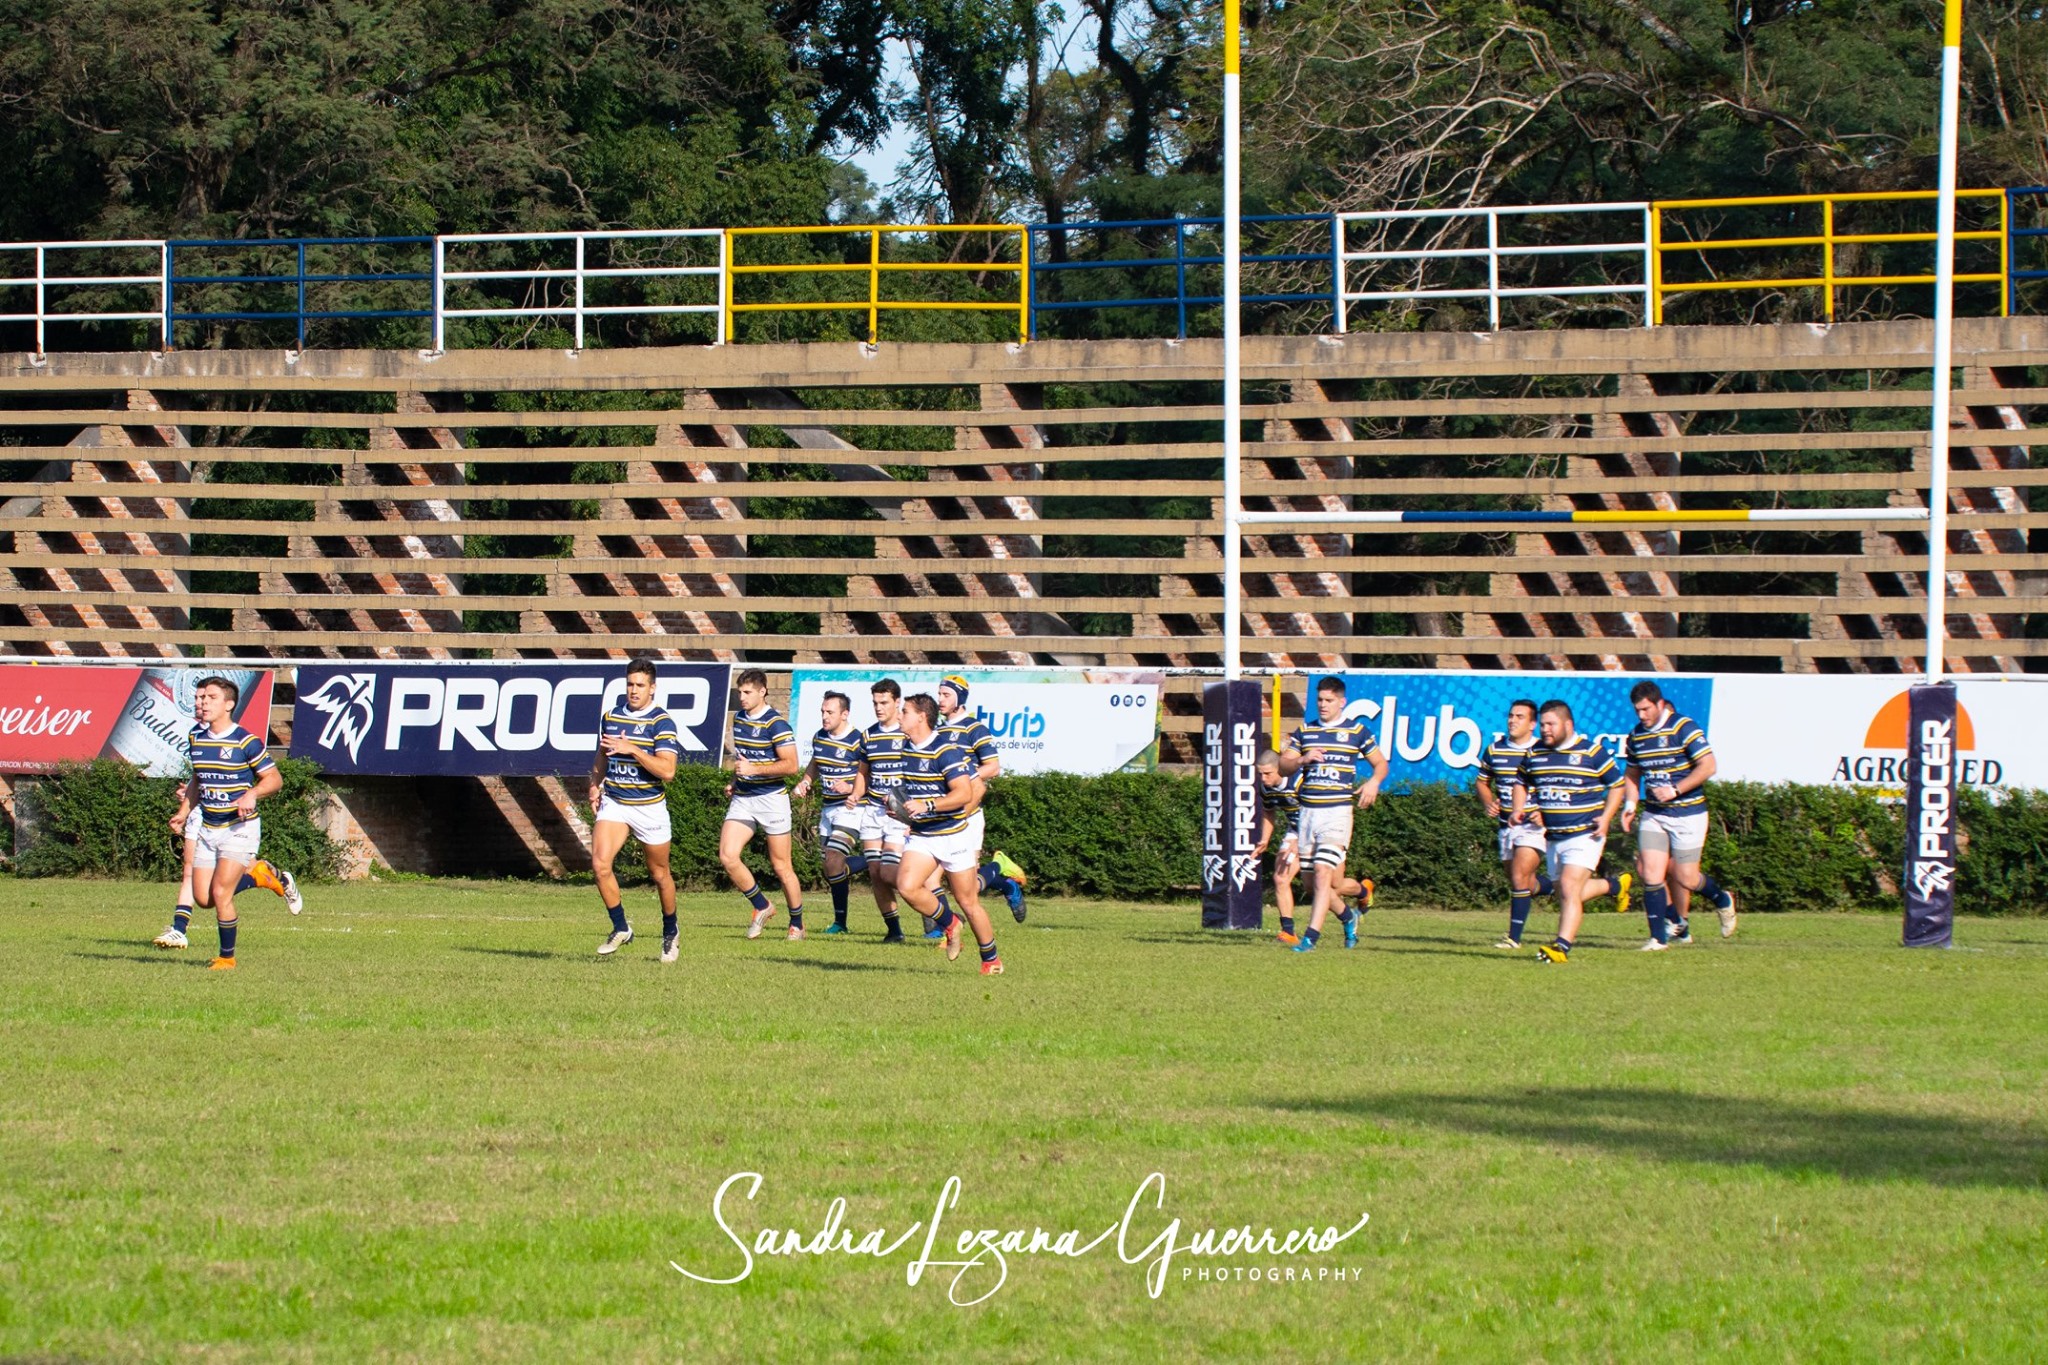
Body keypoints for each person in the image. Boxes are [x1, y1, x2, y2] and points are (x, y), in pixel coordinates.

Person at [166, 676, 282, 970]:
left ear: (229, 705)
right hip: (208, 828)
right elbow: (198, 779)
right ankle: (258, 876)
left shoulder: (246, 741)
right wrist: (183, 811)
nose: (202, 702)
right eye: (201, 698)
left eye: (211, 698)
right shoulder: (196, 737)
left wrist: (252, 794)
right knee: (203, 898)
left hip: (239, 829)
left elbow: (274, 779)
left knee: (220, 893)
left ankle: (226, 958)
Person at [1509, 700, 1631, 965]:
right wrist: (1518, 809)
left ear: (1568, 724)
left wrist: (1607, 817)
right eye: (1542, 724)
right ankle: (1614, 885)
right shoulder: (1535, 753)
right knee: (1565, 892)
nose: (1545, 729)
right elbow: (1521, 782)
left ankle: (1561, 947)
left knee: (1568, 887)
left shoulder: (1591, 752)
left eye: (1550, 724)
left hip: (1586, 834)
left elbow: (1617, 785)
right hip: (1553, 837)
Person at [889, 693, 1002, 974]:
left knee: (968, 900)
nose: (900, 716)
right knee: (906, 886)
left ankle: (991, 960)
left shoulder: (945, 750)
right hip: (923, 834)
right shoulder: (906, 749)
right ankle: (951, 923)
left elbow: (963, 794)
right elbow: (912, 792)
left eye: (905, 711)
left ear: (921, 717)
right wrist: (900, 809)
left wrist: (927, 805)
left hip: (953, 835)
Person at [1621, 680, 1738, 947]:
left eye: (1646, 709)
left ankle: (1722, 899)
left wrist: (1676, 789)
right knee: (1650, 873)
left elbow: (1708, 766)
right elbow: (1632, 774)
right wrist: (1630, 805)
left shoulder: (1684, 727)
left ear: (1660, 704)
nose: (1642, 716)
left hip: (1689, 814)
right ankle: (1658, 938)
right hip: (1655, 814)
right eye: (1637, 710)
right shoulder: (1637, 735)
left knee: (1686, 877)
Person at [1280, 676, 1388, 952]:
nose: (1323, 705)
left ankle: (1310, 938)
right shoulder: (1305, 731)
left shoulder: (1357, 732)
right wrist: (1303, 759)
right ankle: (1348, 916)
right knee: (1313, 885)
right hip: (1308, 814)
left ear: (1342, 702)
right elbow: (1283, 765)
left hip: (1337, 813)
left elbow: (1380, 764)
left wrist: (1373, 782)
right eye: (1320, 700)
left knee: (1322, 871)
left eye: (1329, 700)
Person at [588, 659, 683, 961]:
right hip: (615, 801)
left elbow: (667, 771)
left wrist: (635, 750)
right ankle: (620, 927)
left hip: (649, 807)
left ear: (652, 688)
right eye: (630, 684)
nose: (633, 690)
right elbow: (602, 754)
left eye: (640, 685)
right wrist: (594, 784)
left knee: (659, 874)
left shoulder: (662, 722)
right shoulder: (611, 716)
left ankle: (670, 932)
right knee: (600, 864)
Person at [721, 668, 806, 941]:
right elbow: (744, 760)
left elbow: (791, 765)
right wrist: (735, 780)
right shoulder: (740, 719)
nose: (742, 698)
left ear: (762, 691)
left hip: (772, 800)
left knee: (782, 867)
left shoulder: (776, 724)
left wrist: (754, 770)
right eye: (740, 693)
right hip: (744, 798)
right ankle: (762, 905)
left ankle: (797, 924)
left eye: (747, 693)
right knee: (728, 855)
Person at [935, 674, 1026, 923]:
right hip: (943, 813)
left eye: (946, 695)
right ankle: (943, 928)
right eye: (939, 694)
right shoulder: (937, 731)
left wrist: (963, 777)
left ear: (959, 698)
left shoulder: (974, 728)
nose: (940, 699)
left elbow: (993, 767)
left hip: (969, 813)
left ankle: (1003, 876)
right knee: (929, 878)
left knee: (969, 887)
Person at [153, 808, 301, 951]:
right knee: (190, 871)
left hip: (234, 813)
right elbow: (197, 783)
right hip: (202, 810)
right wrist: (187, 802)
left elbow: (271, 782)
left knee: (246, 868)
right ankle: (179, 929)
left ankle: (263, 878)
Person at [1474, 699, 1554, 950]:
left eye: (1520, 716)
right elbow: (1482, 781)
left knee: (1520, 876)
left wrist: (1545, 811)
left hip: (1535, 826)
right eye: (1511, 715)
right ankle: (1558, 886)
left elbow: (1559, 785)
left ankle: (1513, 938)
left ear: (1532, 724)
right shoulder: (1495, 750)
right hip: (1506, 826)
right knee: (1522, 882)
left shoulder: (1543, 751)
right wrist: (1488, 801)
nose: (1512, 720)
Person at [793, 690, 868, 936]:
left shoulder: (859, 740)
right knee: (831, 868)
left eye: (830, 712)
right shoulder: (820, 737)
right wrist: (806, 781)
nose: (824, 716)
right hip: (828, 808)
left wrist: (851, 787)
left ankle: (873, 860)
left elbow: (870, 773)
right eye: (822, 712)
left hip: (852, 808)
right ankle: (840, 923)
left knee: (834, 859)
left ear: (845, 714)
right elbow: (816, 762)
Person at [854, 678, 911, 942]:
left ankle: (931, 898)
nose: (878, 707)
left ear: (897, 702)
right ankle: (894, 930)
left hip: (900, 813)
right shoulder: (868, 735)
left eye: (884, 702)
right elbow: (863, 774)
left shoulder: (908, 734)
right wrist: (855, 793)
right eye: (875, 702)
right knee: (875, 873)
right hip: (873, 810)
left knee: (890, 872)